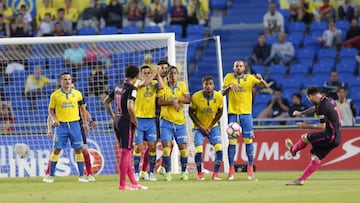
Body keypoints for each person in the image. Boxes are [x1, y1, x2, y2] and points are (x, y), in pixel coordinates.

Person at [285, 86, 342, 185]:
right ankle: (301, 180)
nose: (309, 100)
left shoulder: (322, 106)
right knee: (316, 157)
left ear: (311, 96)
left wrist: (305, 126)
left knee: (305, 137)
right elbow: (314, 108)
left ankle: (293, 150)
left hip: (329, 135)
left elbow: (322, 126)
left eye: (308, 98)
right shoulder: (328, 100)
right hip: (337, 137)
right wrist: (301, 113)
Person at [103, 65, 148, 190]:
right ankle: (122, 184)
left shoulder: (118, 86)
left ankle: (133, 182)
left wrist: (113, 116)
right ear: (137, 75)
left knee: (126, 151)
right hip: (126, 121)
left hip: (117, 120)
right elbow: (130, 106)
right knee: (126, 152)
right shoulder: (132, 88)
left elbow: (106, 101)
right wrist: (134, 120)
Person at [222, 60, 268, 180]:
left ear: (244, 68)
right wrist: (229, 87)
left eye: (240, 66)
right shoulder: (228, 77)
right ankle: (231, 171)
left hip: (246, 114)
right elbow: (221, 92)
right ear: (233, 68)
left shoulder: (250, 78)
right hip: (233, 114)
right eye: (236, 66)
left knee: (249, 141)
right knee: (232, 143)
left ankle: (250, 171)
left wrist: (261, 79)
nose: (238, 68)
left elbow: (265, 86)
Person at [43, 72, 90, 183]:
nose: (67, 81)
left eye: (69, 79)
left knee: (78, 150)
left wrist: (85, 123)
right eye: (65, 79)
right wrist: (54, 119)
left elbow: (83, 109)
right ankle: (51, 175)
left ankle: (81, 176)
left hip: (75, 125)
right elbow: (51, 110)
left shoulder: (78, 94)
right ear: (61, 81)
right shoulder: (55, 95)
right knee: (56, 150)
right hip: (61, 126)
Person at [158, 65, 191, 181]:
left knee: (183, 149)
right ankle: (167, 172)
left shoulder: (182, 85)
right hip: (166, 122)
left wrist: (178, 100)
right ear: (167, 75)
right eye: (170, 73)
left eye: (175, 73)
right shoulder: (163, 86)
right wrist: (172, 101)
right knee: (166, 148)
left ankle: (183, 172)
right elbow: (160, 102)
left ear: (178, 75)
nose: (173, 75)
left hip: (180, 122)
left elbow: (188, 100)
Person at [189, 75, 223, 181]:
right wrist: (201, 126)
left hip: (213, 127)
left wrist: (211, 125)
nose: (208, 86)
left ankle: (216, 173)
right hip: (198, 127)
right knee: (199, 151)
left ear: (213, 85)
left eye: (210, 84)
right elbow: (191, 112)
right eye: (206, 84)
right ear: (202, 85)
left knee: (219, 149)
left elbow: (220, 112)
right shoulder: (195, 97)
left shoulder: (219, 97)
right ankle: (200, 173)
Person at [133, 65, 163, 181]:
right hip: (139, 120)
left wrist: (158, 74)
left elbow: (161, 86)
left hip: (151, 120)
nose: (147, 74)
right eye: (145, 73)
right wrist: (154, 72)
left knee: (152, 147)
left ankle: (151, 172)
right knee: (139, 147)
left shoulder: (153, 85)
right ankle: (136, 172)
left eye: (148, 72)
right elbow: (144, 83)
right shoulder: (137, 83)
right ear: (141, 74)